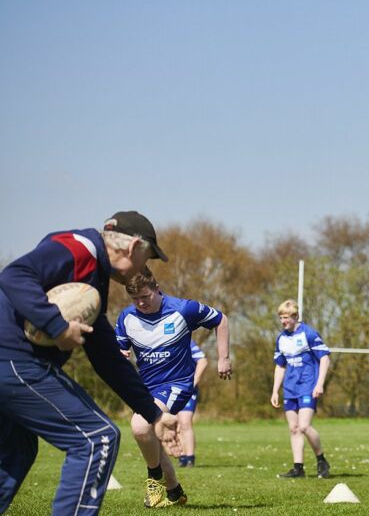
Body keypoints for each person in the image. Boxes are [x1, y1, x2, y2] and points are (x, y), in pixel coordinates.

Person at [0, 211, 181, 516]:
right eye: (146, 257)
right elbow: (13, 276)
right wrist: (56, 326)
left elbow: (106, 355)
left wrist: (153, 413)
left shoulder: (93, 275)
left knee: (17, 450)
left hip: (13, 364)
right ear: (133, 246)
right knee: (97, 438)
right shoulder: (79, 248)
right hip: (13, 360)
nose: (144, 267)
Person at [116, 267, 232, 508]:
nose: (140, 303)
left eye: (145, 297)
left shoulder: (183, 309)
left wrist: (224, 358)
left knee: (139, 426)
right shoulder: (127, 317)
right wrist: (120, 354)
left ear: (157, 289)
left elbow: (221, 320)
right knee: (149, 436)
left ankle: (154, 476)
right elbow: (119, 348)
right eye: (135, 299)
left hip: (176, 384)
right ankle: (173, 489)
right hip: (145, 387)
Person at [271, 300, 331, 479]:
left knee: (304, 426)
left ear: (296, 316)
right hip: (290, 389)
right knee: (294, 428)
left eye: (286, 317)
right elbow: (280, 366)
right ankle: (298, 468)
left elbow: (325, 358)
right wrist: (275, 390)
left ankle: (321, 459)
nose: (283, 321)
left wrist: (319, 383)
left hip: (308, 386)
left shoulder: (309, 334)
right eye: (281, 317)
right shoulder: (281, 339)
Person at [178, 340, 208, 467]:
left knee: (185, 422)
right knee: (175, 424)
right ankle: (182, 456)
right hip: (168, 389)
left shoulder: (187, 342)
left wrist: (193, 381)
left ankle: (190, 458)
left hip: (187, 390)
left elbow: (202, 360)